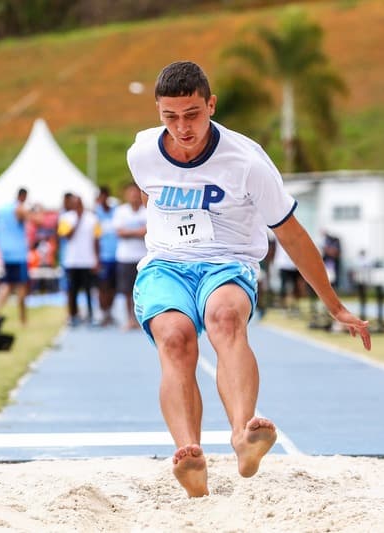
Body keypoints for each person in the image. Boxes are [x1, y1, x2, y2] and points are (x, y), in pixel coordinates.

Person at [126, 61, 370, 497]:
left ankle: (243, 435)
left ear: (211, 105)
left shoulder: (246, 161)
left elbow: (291, 233)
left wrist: (334, 305)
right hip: (165, 264)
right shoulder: (142, 153)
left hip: (228, 262)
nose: (182, 128)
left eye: (193, 115)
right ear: (158, 112)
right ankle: (190, 455)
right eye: (170, 117)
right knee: (176, 338)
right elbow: (155, 199)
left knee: (223, 318)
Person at [0, 188, 38, 325]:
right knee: (21, 286)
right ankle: (23, 319)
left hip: (6, 252)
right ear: (23, 197)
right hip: (18, 253)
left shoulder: (3, 209)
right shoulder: (19, 209)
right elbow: (37, 220)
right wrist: (38, 210)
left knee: (7, 284)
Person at [58, 193, 100, 326]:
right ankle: (73, 315)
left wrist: (96, 259)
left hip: (88, 260)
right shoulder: (66, 218)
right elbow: (67, 236)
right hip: (72, 260)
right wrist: (77, 219)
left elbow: (96, 240)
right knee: (73, 290)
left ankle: (90, 315)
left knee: (89, 290)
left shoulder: (92, 218)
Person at [112, 182, 147, 330]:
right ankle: (130, 319)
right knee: (127, 291)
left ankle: (142, 319)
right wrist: (138, 232)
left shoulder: (147, 211)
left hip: (144, 257)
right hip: (125, 257)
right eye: (131, 193)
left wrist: (130, 232)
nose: (134, 196)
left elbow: (148, 231)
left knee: (143, 290)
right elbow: (119, 232)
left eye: (136, 193)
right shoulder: (121, 211)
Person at [94, 186, 118, 326]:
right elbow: (95, 238)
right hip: (103, 256)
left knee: (114, 286)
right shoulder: (96, 213)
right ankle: (103, 311)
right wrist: (96, 257)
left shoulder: (116, 211)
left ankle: (109, 311)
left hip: (116, 255)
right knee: (103, 286)